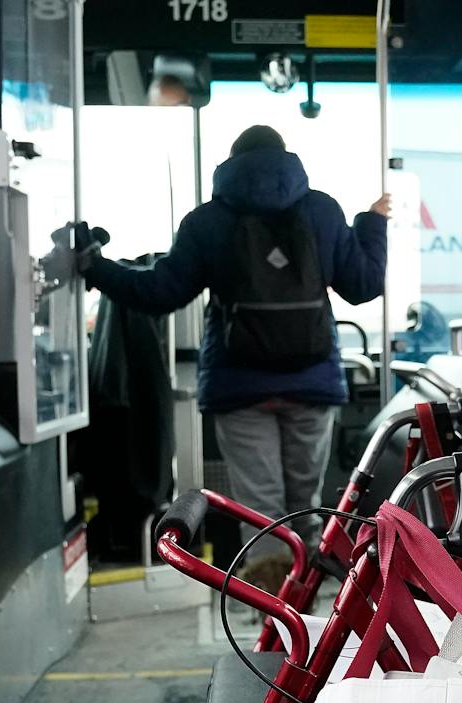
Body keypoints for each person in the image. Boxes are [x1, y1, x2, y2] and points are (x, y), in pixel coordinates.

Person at [75, 125, 390, 589]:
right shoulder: (322, 210)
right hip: (311, 382)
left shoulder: (209, 220)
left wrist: (95, 266)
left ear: (231, 163)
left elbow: (159, 292)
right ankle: (311, 610)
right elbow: (364, 286)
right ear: (287, 160)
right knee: (307, 501)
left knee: (260, 507)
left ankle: (272, 616)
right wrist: (372, 224)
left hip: (240, 388)